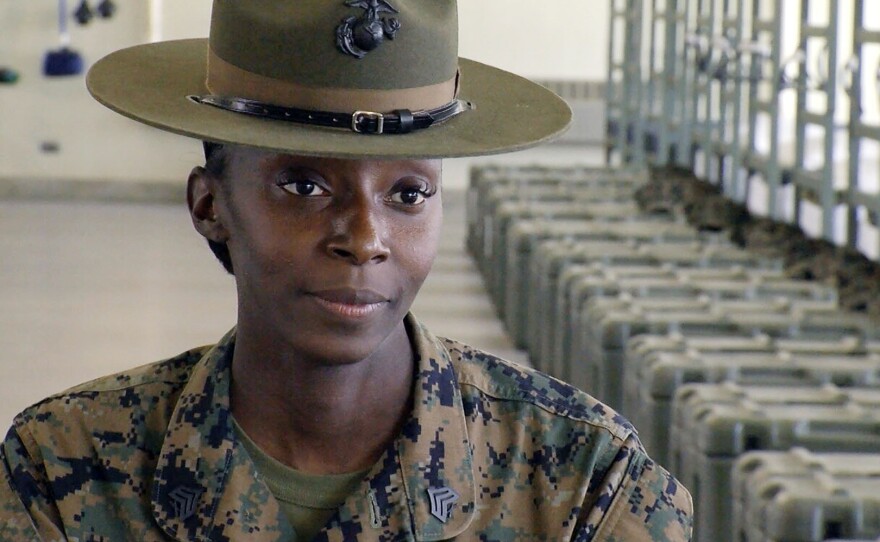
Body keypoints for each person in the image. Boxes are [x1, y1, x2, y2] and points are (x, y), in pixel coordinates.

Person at [0, 1, 693, 540]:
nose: (365, 240)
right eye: (303, 186)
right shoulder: (66, 468)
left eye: (409, 194)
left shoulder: (584, 485)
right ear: (210, 205)